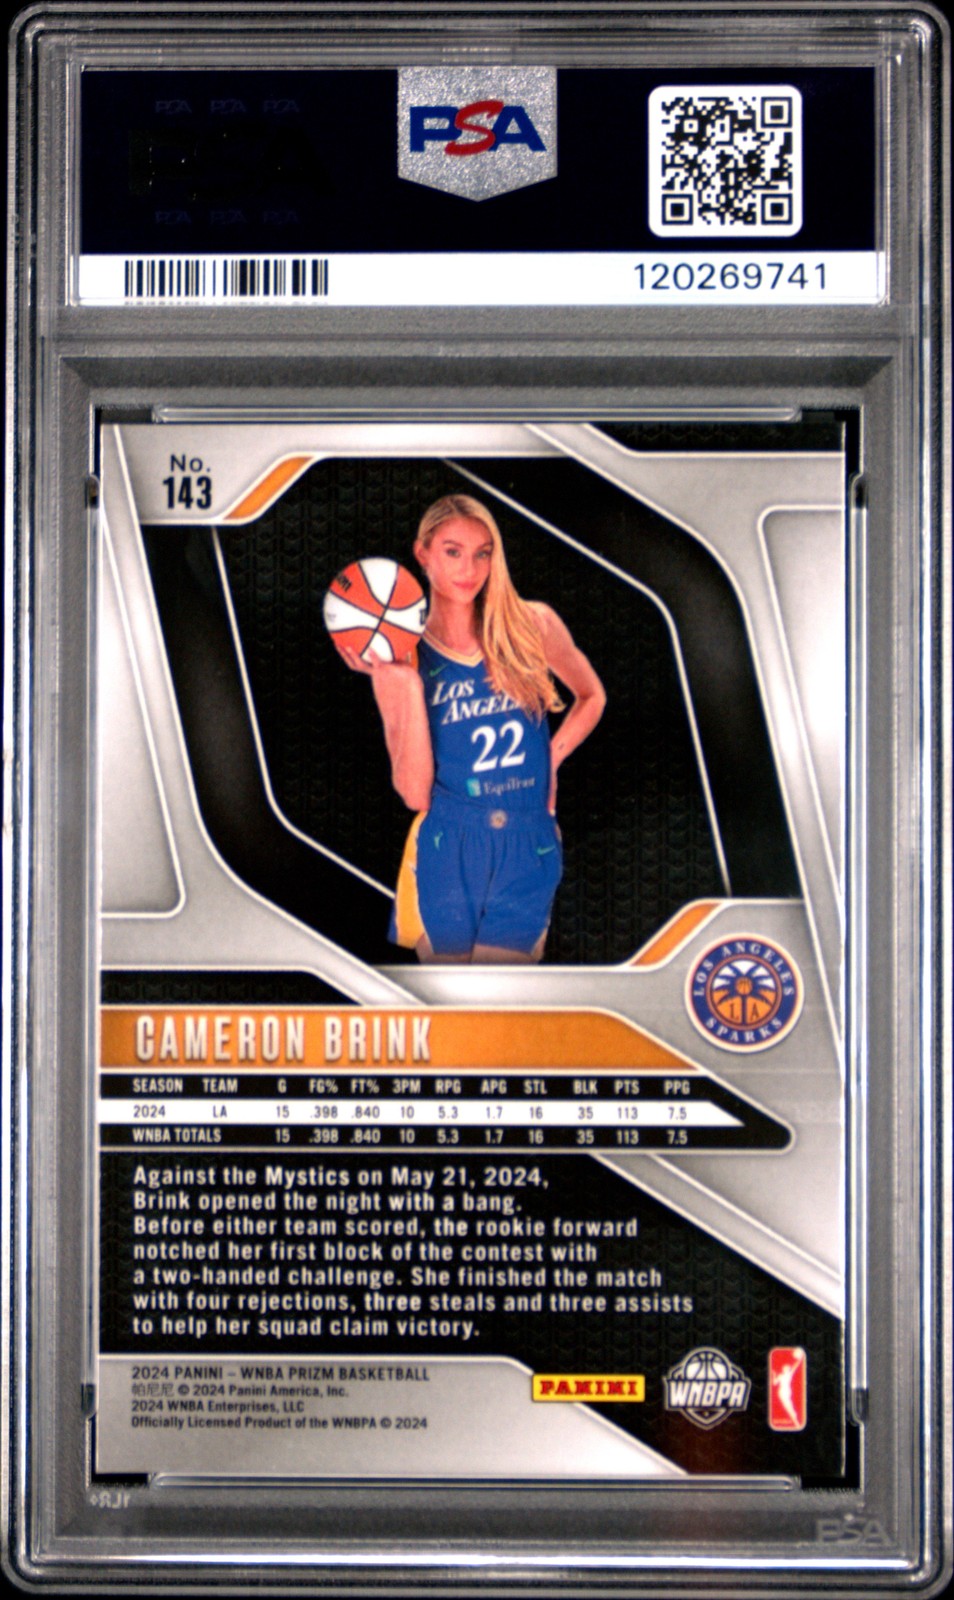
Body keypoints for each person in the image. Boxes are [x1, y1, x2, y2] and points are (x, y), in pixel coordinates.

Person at [338, 494, 605, 963]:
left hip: (527, 837)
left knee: (498, 991)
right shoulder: (400, 656)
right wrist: (407, 684)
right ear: (422, 553)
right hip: (447, 841)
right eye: (453, 552)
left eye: (483, 553)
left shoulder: (532, 624)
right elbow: (414, 794)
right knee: (451, 997)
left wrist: (552, 756)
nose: (470, 569)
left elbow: (591, 696)